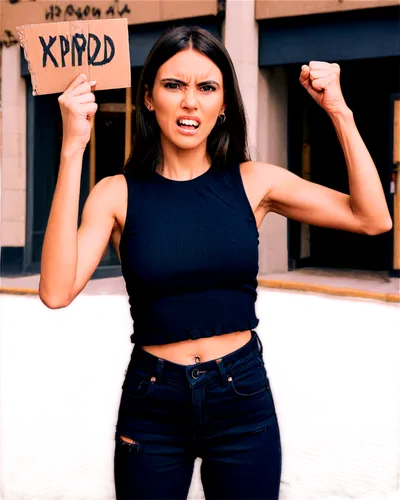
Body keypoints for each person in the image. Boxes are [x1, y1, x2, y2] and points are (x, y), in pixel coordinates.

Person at [39, 25, 392, 500]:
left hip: (241, 395)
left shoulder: (254, 182)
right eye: (173, 85)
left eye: (206, 88)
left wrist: (339, 111)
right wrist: (72, 146)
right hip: (154, 401)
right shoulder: (116, 193)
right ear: (148, 98)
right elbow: (56, 291)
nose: (190, 102)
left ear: (223, 105)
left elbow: (372, 218)